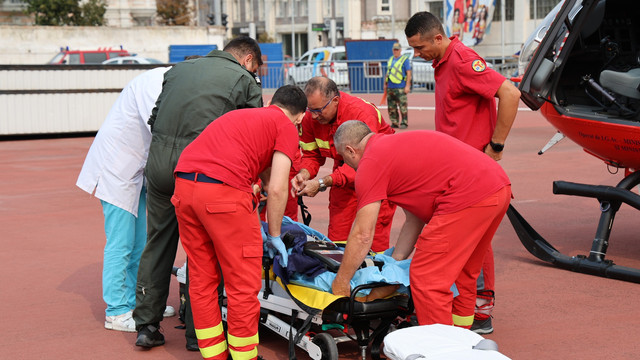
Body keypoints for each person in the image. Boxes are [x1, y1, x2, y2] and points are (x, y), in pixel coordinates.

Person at [133, 36, 264, 349]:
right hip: (202, 172)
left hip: (161, 164)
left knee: (158, 241)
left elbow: (154, 119)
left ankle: (147, 325)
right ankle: (198, 333)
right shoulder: (244, 80)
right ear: (248, 60)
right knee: (204, 251)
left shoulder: (178, 71)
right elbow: (254, 133)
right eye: (256, 67)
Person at [330, 120, 511, 330]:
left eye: (343, 158)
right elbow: (413, 219)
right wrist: (395, 263)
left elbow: (362, 234)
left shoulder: (371, 162)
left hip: (467, 195)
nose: (346, 165)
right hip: (497, 186)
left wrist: (341, 282)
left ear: (350, 150)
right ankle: (462, 334)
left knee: (427, 278)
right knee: (463, 271)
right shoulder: (393, 147)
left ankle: (440, 349)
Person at [405, 11, 521, 334]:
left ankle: (480, 307)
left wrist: (496, 146)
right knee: (467, 241)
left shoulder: (461, 61)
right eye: (413, 49)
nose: (417, 55)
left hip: (473, 174)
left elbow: (510, 94)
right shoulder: (442, 65)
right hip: (455, 172)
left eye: (420, 47)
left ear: (438, 39)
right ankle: (467, 309)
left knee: (472, 239)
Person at [172, 85, 307, 360]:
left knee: (201, 277)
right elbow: (279, 188)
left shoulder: (246, 117)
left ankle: (214, 355)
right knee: (242, 282)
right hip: (224, 194)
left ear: (271, 102)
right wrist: (276, 233)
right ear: (300, 117)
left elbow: (266, 177)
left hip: (184, 187)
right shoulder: (287, 127)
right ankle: (244, 356)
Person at [75, 66, 174, 333]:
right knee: (121, 243)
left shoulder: (171, 83)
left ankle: (138, 303)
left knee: (141, 241)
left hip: (136, 173)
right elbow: (161, 128)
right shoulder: (155, 82)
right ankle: (117, 311)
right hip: (116, 170)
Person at [291, 77, 396, 253]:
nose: (314, 116)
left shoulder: (361, 113)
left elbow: (365, 163)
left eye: (319, 110)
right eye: (311, 110)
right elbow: (311, 155)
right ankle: (338, 270)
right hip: (344, 169)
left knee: (375, 237)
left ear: (335, 101)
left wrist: (322, 183)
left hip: (378, 174)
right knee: (337, 234)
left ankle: (379, 275)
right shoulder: (311, 118)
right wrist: (304, 174)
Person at [383, 42, 412, 129]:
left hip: (400, 87)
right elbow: (388, 72)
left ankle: (404, 122)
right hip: (390, 87)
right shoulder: (391, 59)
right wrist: (385, 84)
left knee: (402, 106)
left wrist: (407, 86)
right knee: (391, 107)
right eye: (394, 49)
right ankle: (394, 122)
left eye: (397, 49)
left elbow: (408, 73)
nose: (395, 51)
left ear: (400, 50)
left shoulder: (404, 59)